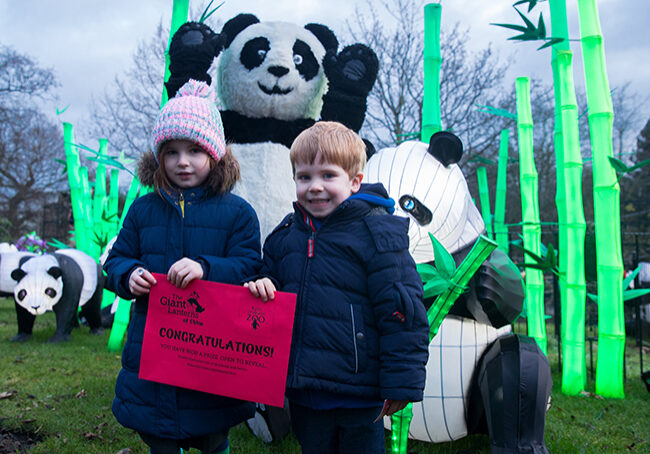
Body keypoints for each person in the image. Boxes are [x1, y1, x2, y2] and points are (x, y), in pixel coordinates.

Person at [245, 121, 430, 454]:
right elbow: (269, 276)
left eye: (328, 175)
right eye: (305, 177)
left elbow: (403, 311)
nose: (315, 186)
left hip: (358, 392)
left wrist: (402, 382)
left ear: (354, 181)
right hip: (304, 389)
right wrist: (264, 284)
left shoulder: (377, 235)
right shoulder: (286, 236)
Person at [104, 80, 262, 454]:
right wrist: (128, 275)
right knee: (159, 433)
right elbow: (115, 260)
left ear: (215, 153)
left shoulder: (238, 213)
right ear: (159, 157)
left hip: (211, 351)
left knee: (213, 431)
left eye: (194, 150)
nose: (183, 162)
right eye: (171, 152)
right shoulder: (143, 210)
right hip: (152, 348)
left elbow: (249, 266)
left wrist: (207, 268)